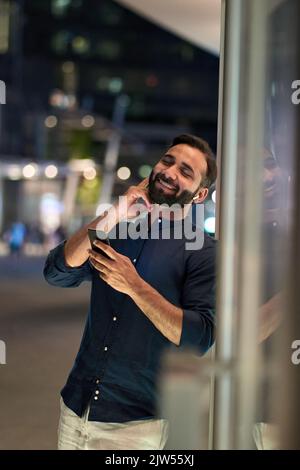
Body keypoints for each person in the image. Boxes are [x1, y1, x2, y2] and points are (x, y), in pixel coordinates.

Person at [43, 133, 217, 450]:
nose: (170, 172)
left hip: (136, 427)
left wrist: (134, 285)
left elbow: (200, 337)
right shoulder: (117, 229)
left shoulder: (203, 251)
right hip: (75, 410)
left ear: (200, 193)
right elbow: (58, 273)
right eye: (168, 161)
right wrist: (115, 213)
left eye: (186, 171)